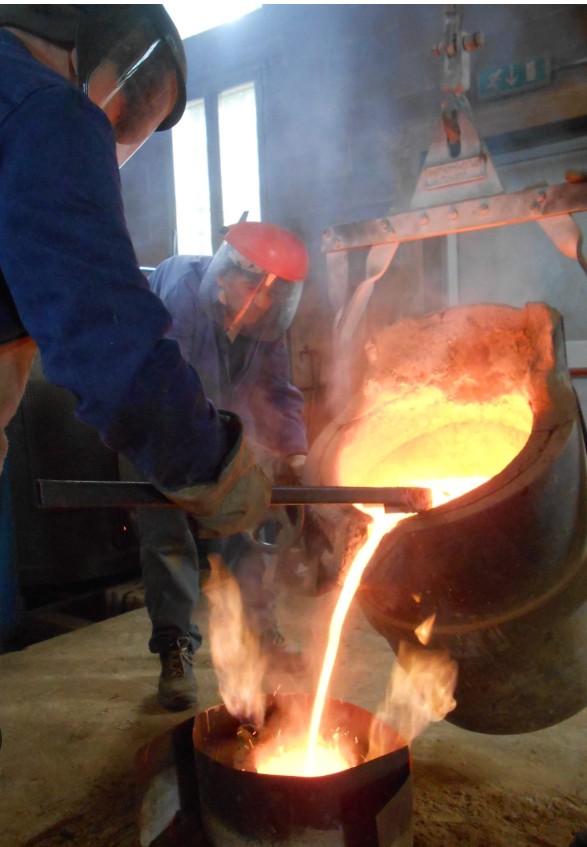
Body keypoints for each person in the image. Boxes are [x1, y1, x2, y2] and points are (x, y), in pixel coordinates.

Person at [0, 8, 271, 587]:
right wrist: (211, 463)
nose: (118, 123)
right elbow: (108, 338)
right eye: (132, 94)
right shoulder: (48, 111)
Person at [121, 221, 310, 711]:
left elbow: (276, 390)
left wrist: (295, 452)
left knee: (242, 528)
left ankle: (262, 633)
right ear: (225, 275)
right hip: (154, 427)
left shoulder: (264, 326)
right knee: (168, 541)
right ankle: (174, 649)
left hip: (218, 434)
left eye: (273, 295)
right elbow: (171, 386)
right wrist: (217, 454)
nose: (262, 303)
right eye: (254, 289)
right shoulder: (181, 294)